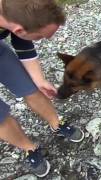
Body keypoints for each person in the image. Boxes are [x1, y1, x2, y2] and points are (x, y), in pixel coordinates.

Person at [0, 0, 84, 177]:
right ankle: (28, 148)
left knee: (30, 87)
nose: (43, 40)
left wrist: (39, 80)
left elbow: (22, 42)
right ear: (19, 29)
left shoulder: (14, 8)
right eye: (40, 37)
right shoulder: (17, 23)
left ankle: (56, 123)